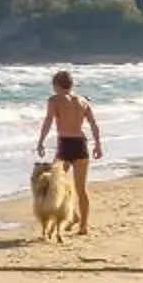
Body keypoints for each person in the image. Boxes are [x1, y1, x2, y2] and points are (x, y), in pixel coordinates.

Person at [37, 70, 103, 236]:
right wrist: (98, 145)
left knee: (54, 184)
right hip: (81, 144)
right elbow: (94, 124)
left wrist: (41, 141)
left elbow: (48, 120)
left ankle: (74, 216)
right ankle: (83, 225)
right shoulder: (82, 101)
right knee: (81, 189)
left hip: (65, 144)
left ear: (57, 85)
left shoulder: (54, 100)